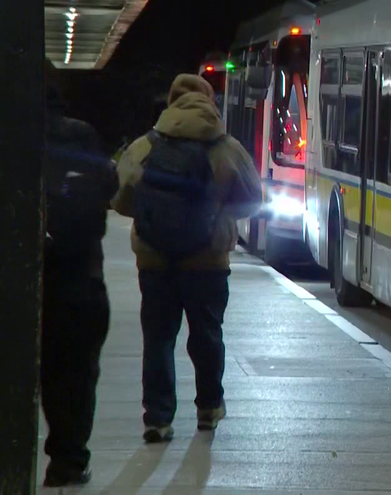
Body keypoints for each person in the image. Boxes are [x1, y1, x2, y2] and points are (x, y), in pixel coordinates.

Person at [112, 74, 262, 443]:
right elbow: (254, 199)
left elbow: (120, 199)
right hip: (207, 261)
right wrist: (219, 213)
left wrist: (153, 217)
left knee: (159, 339)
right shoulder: (226, 148)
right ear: (209, 100)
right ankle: (209, 408)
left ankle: (158, 418)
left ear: (172, 102)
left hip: (155, 262)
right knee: (207, 334)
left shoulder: (145, 145)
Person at [41, 59, 118, 487]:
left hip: (24, 281)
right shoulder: (81, 135)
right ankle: (68, 461)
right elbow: (110, 187)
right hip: (79, 279)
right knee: (75, 375)